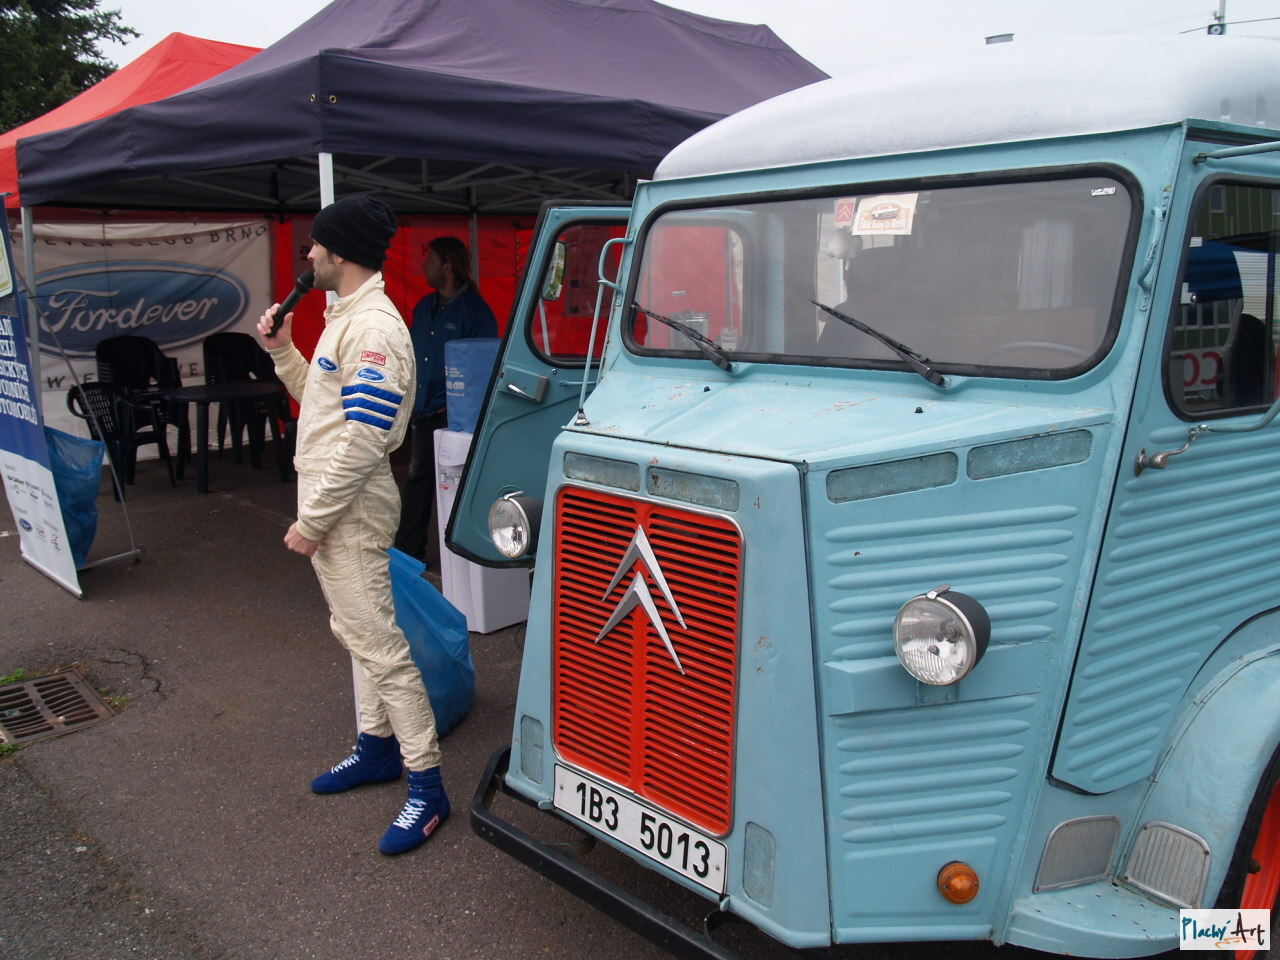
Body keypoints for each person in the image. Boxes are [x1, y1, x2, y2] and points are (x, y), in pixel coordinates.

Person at [256, 195, 448, 856]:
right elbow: (323, 407)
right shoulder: (346, 318)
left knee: (381, 648)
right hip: (339, 503)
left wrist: (312, 520)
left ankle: (428, 788)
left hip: (350, 509)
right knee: (360, 636)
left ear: (338, 253)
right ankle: (375, 749)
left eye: (315, 244)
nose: (307, 254)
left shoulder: (374, 329)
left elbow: (365, 439)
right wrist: (283, 352)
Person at [393, 236, 497, 562]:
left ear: (447, 267)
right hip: (423, 411)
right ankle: (407, 553)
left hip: (456, 418)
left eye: (431, 261)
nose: (424, 266)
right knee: (418, 480)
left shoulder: (475, 311)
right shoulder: (424, 307)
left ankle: (467, 553)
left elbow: (483, 366)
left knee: (460, 484)